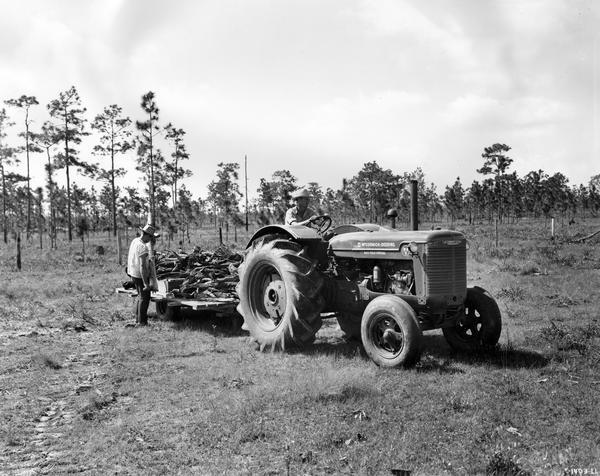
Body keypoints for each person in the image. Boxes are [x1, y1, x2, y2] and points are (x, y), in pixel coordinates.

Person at [127, 224, 158, 326]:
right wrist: (146, 283)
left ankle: (138, 319)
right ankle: (142, 322)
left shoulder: (135, 241)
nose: (151, 240)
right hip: (139, 275)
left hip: (133, 273)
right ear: (148, 236)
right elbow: (142, 266)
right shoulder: (142, 247)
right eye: (151, 237)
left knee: (140, 296)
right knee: (144, 298)